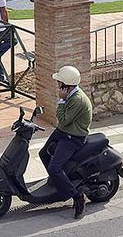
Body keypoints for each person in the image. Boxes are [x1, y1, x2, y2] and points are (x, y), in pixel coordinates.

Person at [40, 65, 91, 219]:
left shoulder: (76, 99)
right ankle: (59, 182)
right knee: (43, 153)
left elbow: (62, 122)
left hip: (73, 137)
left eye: (59, 83)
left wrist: (61, 102)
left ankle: (77, 197)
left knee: (55, 168)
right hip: (64, 132)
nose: (57, 85)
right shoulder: (70, 94)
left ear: (66, 86)